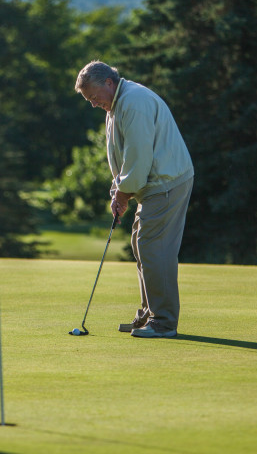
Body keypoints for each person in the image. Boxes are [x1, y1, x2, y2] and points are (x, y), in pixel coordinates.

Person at [75, 61, 193, 339]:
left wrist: (124, 192)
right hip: (153, 184)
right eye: (88, 100)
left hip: (166, 182)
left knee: (153, 249)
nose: (93, 104)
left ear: (108, 82)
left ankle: (163, 322)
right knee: (142, 246)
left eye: (93, 97)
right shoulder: (116, 104)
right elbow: (124, 156)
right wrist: (119, 189)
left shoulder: (134, 103)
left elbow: (139, 159)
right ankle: (149, 315)